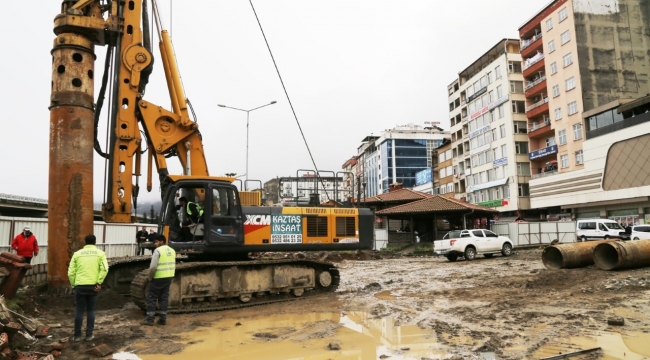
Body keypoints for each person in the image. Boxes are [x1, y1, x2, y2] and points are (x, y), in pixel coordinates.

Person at [68, 234, 109, 342]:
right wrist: (99, 283)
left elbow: (70, 272)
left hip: (79, 286)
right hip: (93, 286)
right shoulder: (100, 254)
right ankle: (89, 335)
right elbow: (104, 269)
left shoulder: (77, 254)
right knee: (91, 310)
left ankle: (77, 336)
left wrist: (74, 285)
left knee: (79, 310)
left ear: (85, 242)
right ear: (95, 242)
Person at [141, 234, 176, 326]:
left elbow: (153, 267)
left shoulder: (158, 251)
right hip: (168, 277)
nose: (155, 244)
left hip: (158, 277)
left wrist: (150, 277)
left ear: (161, 241)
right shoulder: (172, 250)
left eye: (156, 242)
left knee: (151, 298)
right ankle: (162, 319)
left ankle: (150, 320)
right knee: (163, 298)